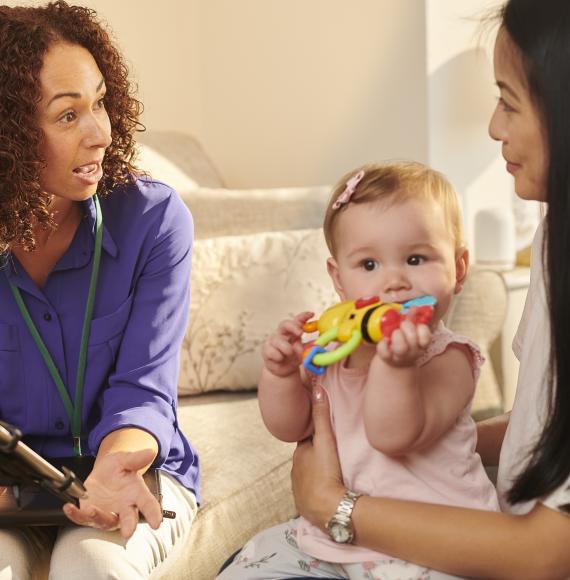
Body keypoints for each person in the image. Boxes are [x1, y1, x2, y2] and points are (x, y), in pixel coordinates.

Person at [291, 0, 570, 578]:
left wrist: (332, 504)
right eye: (366, 264)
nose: (494, 127)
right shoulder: (555, 233)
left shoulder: (447, 355)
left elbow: (550, 553)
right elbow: (545, 425)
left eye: (509, 102)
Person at [218, 160, 499, 579]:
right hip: (332, 539)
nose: (394, 283)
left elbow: (393, 436)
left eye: (416, 259)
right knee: (250, 567)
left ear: (458, 269)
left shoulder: (450, 358)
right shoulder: (331, 349)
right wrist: (280, 374)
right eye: (369, 265)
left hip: (432, 545)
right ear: (338, 278)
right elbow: (290, 426)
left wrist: (394, 364)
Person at [0, 2, 198, 578]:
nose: (101, 133)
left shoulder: (154, 220)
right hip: (10, 489)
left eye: (101, 102)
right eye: (68, 117)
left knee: (90, 566)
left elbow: (144, 387)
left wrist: (114, 470)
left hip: (130, 469)